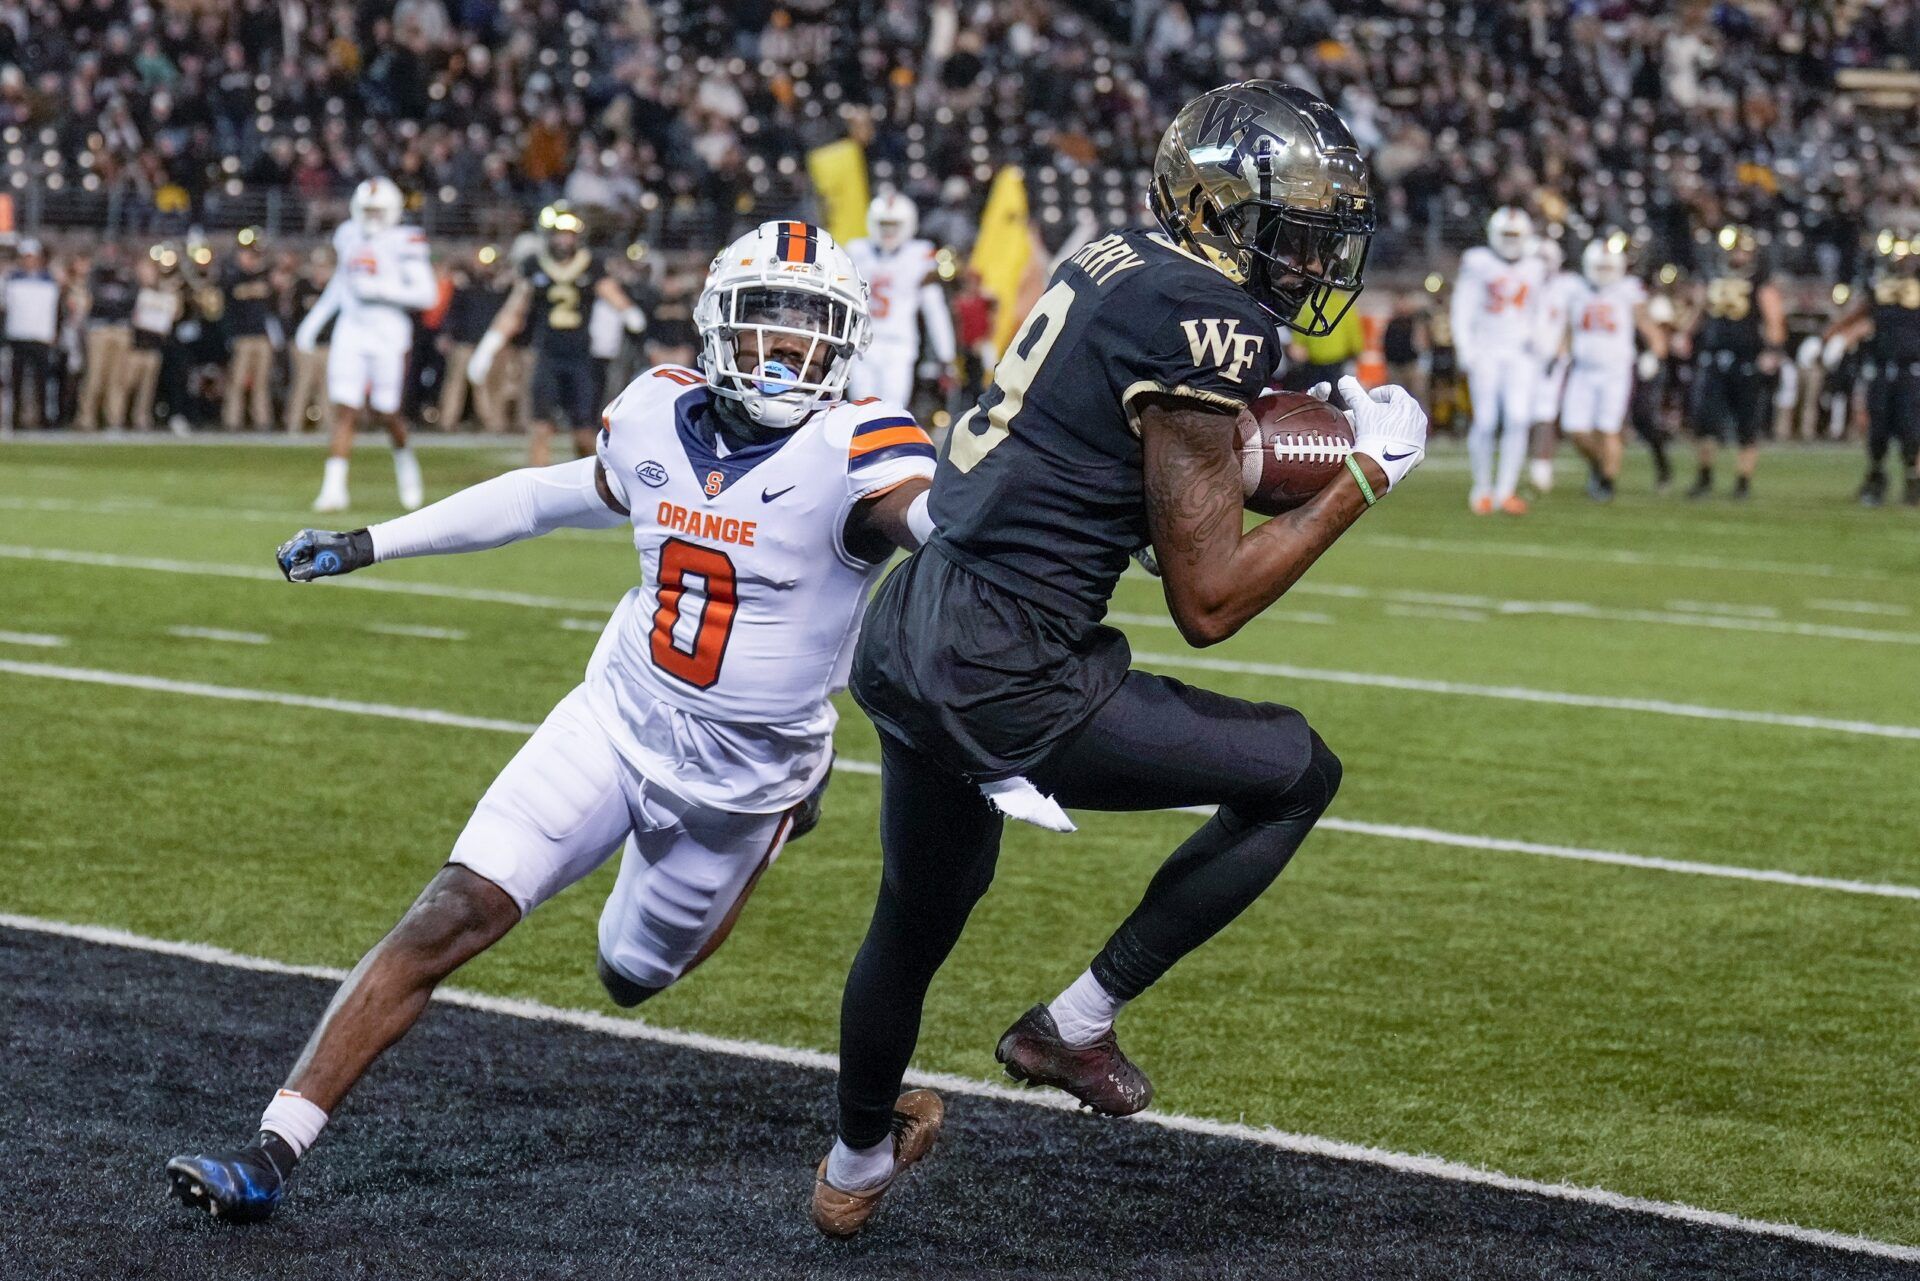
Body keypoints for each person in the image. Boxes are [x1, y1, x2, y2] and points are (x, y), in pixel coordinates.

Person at [166, 219, 938, 1225]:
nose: (787, 351)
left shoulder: (862, 444)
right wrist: (373, 543)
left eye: (811, 331)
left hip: (743, 779)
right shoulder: (655, 410)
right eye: (767, 325)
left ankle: (788, 818)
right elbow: (550, 496)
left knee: (630, 976)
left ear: (846, 343)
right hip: (618, 715)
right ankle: (271, 1151)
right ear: (717, 327)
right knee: (450, 913)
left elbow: (936, 524)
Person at [813, 80, 1428, 1239]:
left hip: (915, 624)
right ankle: (1075, 1023)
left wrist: (1269, 425)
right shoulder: (1218, 325)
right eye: (1290, 230)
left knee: (919, 910)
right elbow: (1207, 600)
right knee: (1298, 773)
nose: (1306, 259)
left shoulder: (1115, 255)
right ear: (1218, 209)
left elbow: (1114, 454)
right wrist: (1365, 474)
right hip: (1012, 665)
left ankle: (852, 1164)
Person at [296, 177, 439, 511]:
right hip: (352, 328)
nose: (372, 217)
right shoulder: (347, 234)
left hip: (389, 330)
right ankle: (334, 488)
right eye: (367, 210)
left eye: (378, 210)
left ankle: (405, 463)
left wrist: (382, 292)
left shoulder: (407, 240)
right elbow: (340, 285)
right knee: (344, 407)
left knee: (386, 411)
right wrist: (313, 322)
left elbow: (426, 294)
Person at [465, 205, 645, 465]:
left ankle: (592, 492)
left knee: (584, 433)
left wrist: (629, 312)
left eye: (569, 234)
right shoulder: (534, 265)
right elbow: (514, 311)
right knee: (540, 429)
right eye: (559, 234)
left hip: (581, 356)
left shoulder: (590, 265)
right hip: (548, 354)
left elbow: (612, 293)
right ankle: (538, 496)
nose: (564, 240)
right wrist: (488, 348)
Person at [1678, 225, 1785, 500]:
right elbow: (1700, 309)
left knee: (1747, 423)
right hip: (1714, 356)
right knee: (1704, 421)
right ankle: (1705, 475)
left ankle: (1742, 481)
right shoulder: (1712, 275)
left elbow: (1774, 317)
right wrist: (1685, 334)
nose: (1738, 255)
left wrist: (1772, 349)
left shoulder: (1759, 280)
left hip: (1746, 358)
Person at [1453, 207, 1545, 514]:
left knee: (1519, 419)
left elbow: (1540, 310)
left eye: (1515, 235)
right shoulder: (1479, 262)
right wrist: (1466, 349)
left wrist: (1540, 343)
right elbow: (1462, 308)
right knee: (1486, 420)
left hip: (1520, 353)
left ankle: (1506, 490)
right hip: (1487, 350)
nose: (1510, 241)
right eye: (1506, 234)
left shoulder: (1535, 266)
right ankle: (1482, 488)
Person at [1822, 230, 1920, 506]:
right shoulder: (1878, 286)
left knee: (1911, 428)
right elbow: (1863, 313)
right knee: (1878, 427)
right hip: (1881, 365)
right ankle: (1876, 475)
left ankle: (1913, 479)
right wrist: (1836, 332)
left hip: (1912, 367)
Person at [1561, 240, 1664, 500]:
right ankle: (1598, 465)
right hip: (1583, 369)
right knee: (1575, 429)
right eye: (1600, 267)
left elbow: (1647, 325)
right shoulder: (1576, 290)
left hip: (1615, 369)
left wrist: (1654, 353)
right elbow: (1569, 329)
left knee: (1608, 428)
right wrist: (1560, 356)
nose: (1604, 272)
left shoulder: (1627, 291)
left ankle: (1607, 481)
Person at [846, 192, 957, 411]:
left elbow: (934, 309)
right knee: (858, 412)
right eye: (883, 224)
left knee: (892, 412)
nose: (888, 231)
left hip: (899, 347)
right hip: (861, 345)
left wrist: (946, 354)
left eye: (894, 225)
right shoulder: (856, 251)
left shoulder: (920, 254)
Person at [1526, 235, 1581, 495]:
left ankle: (1541, 468)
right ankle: (1526, 467)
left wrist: (1564, 350)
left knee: (1545, 414)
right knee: (1520, 415)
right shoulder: (1523, 283)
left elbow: (1574, 320)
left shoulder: (1568, 286)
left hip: (1552, 360)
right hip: (1523, 359)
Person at [220, 230, 277, 432]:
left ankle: (262, 421)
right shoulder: (232, 276)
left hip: (261, 336)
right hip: (241, 336)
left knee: (261, 383)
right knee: (237, 382)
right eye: (247, 254)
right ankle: (232, 421)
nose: (250, 259)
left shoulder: (264, 276)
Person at [75, 245, 136, 430]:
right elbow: (96, 300)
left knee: (118, 377)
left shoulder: (128, 276)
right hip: (99, 328)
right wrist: (114, 304)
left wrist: (113, 304)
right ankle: (87, 417)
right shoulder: (95, 275)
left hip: (121, 329)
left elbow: (131, 299)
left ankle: (114, 418)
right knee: (94, 375)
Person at [4, 239, 61, 429]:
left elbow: (55, 310)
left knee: (41, 382)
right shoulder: (11, 279)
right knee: (17, 381)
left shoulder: (50, 281)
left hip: (41, 337)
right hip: (18, 336)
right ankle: (16, 420)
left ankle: (42, 419)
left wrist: (53, 332)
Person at [284, 249, 334, 433]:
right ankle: (293, 426)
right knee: (302, 386)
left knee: (327, 389)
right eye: (317, 267)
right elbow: (291, 317)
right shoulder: (302, 287)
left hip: (328, 346)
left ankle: (329, 428)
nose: (320, 271)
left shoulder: (334, 289)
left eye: (324, 267)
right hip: (306, 347)